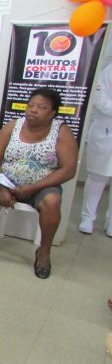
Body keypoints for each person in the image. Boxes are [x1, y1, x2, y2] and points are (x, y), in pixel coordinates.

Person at [0, 88, 78, 279]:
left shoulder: (61, 132)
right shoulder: (13, 126)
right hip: (5, 181)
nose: (33, 110)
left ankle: (43, 253)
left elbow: (68, 169)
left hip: (42, 185)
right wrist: (2, 188)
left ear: (52, 113)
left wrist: (31, 188)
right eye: (31, 105)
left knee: (52, 202)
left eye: (41, 107)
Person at [79, 64, 112, 236]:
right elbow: (100, 101)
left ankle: (111, 221)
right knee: (98, 177)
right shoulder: (108, 72)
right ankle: (88, 218)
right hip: (105, 131)